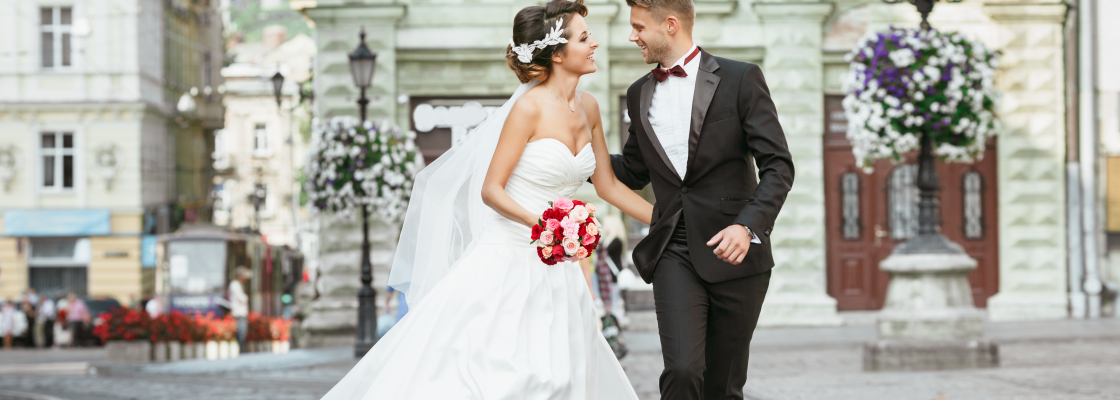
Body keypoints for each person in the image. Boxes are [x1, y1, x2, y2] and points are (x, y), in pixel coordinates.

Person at [321, 1, 653, 398]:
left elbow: (609, 187)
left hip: (560, 271)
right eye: (585, 37)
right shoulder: (527, 109)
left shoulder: (591, 108)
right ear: (559, 53)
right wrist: (545, 226)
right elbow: (491, 189)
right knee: (508, 377)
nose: (595, 42)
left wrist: (670, 219)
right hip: (510, 260)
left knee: (564, 376)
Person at [609, 0, 794, 398]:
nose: (632, 36)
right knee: (682, 369)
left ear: (670, 25)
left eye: (639, 27)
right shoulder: (638, 92)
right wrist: (573, 154)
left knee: (723, 385)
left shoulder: (741, 78)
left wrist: (747, 226)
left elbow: (778, 166)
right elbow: (634, 169)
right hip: (673, 249)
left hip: (736, 253)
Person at [229, 266, 251, 351]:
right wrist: (245, 298)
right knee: (241, 330)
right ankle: (240, 348)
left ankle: (242, 347)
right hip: (238, 312)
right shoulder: (234, 284)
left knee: (243, 330)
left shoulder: (239, 285)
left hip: (242, 312)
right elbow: (242, 298)